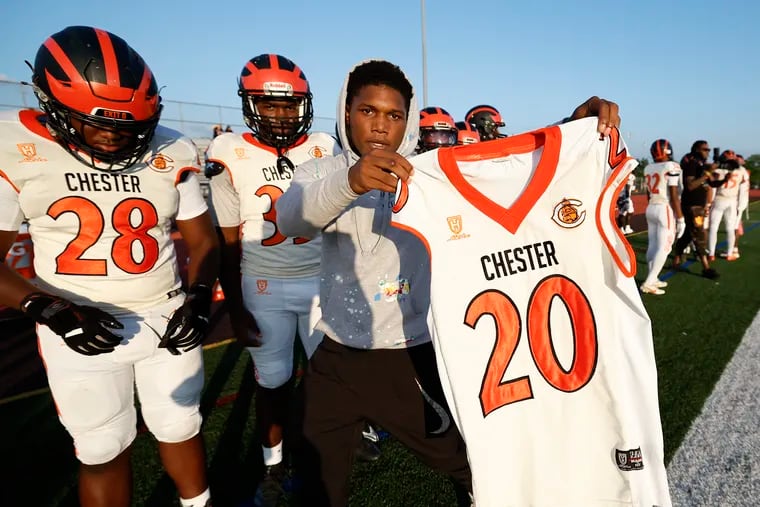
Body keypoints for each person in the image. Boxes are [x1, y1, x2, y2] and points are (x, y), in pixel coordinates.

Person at [275, 57, 622, 506]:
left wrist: (571, 126)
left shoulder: (431, 170)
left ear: (407, 122)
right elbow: (291, 218)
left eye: (393, 115)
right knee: (318, 479)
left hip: (410, 355)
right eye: (368, 111)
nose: (380, 126)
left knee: (472, 466)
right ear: (346, 112)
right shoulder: (323, 172)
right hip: (337, 355)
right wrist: (351, 181)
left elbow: (505, 165)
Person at [389, 119, 672, 506]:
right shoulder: (427, 186)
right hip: (552, 426)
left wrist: (581, 129)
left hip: (540, 432)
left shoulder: (585, 157)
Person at [0, 26, 219, 507]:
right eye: (99, 123)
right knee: (101, 449)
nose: (117, 136)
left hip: (166, 315)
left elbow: (204, 242)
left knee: (182, 425)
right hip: (77, 322)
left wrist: (200, 295)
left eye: (129, 125)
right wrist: (48, 309)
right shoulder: (14, 144)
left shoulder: (172, 148)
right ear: (50, 103)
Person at [204, 53, 375, 507]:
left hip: (322, 279)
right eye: (270, 104)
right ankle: (274, 466)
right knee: (273, 382)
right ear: (250, 105)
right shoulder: (228, 153)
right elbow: (226, 241)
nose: (281, 115)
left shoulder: (323, 144)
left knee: (330, 377)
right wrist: (235, 309)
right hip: (264, 286)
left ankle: (328, 454)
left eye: (290, 104)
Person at [640, 139, 685, 295]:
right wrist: (680, 218)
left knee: (653, 244)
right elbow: (673, 195)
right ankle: (650, 281)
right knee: (665, 247)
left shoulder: (648, 168)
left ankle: (653, 277)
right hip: (664, 207)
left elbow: (647, 192)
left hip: (651, 206)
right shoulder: (671, 166)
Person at [672, 140, 721, 278]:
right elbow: (690, 185)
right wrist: (707, 174)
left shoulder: (698, 164)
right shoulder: (692, 163)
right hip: (692, 206)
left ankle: (676, 258)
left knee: (688, 234)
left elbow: (708, 183)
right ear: (697, 150)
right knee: (699, 236)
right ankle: (706, 267)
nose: (708, 152)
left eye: (709, 150)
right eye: (705, 149)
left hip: (697, 205)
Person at [707, 150, 741, 261]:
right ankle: (729, 253)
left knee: (713, 227)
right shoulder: (741, 171)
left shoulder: (718, 170)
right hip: (732, 200)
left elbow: (711, 172)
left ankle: (711, 254)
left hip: (720, 199)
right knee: (730, 228)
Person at [729, 154, 751, 258]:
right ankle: (734, 248)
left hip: (738, 201)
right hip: (741, 201)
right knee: (735, 226)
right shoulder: (744, 171)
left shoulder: (740, 171)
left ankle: (734, 249)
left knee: (734, 227)